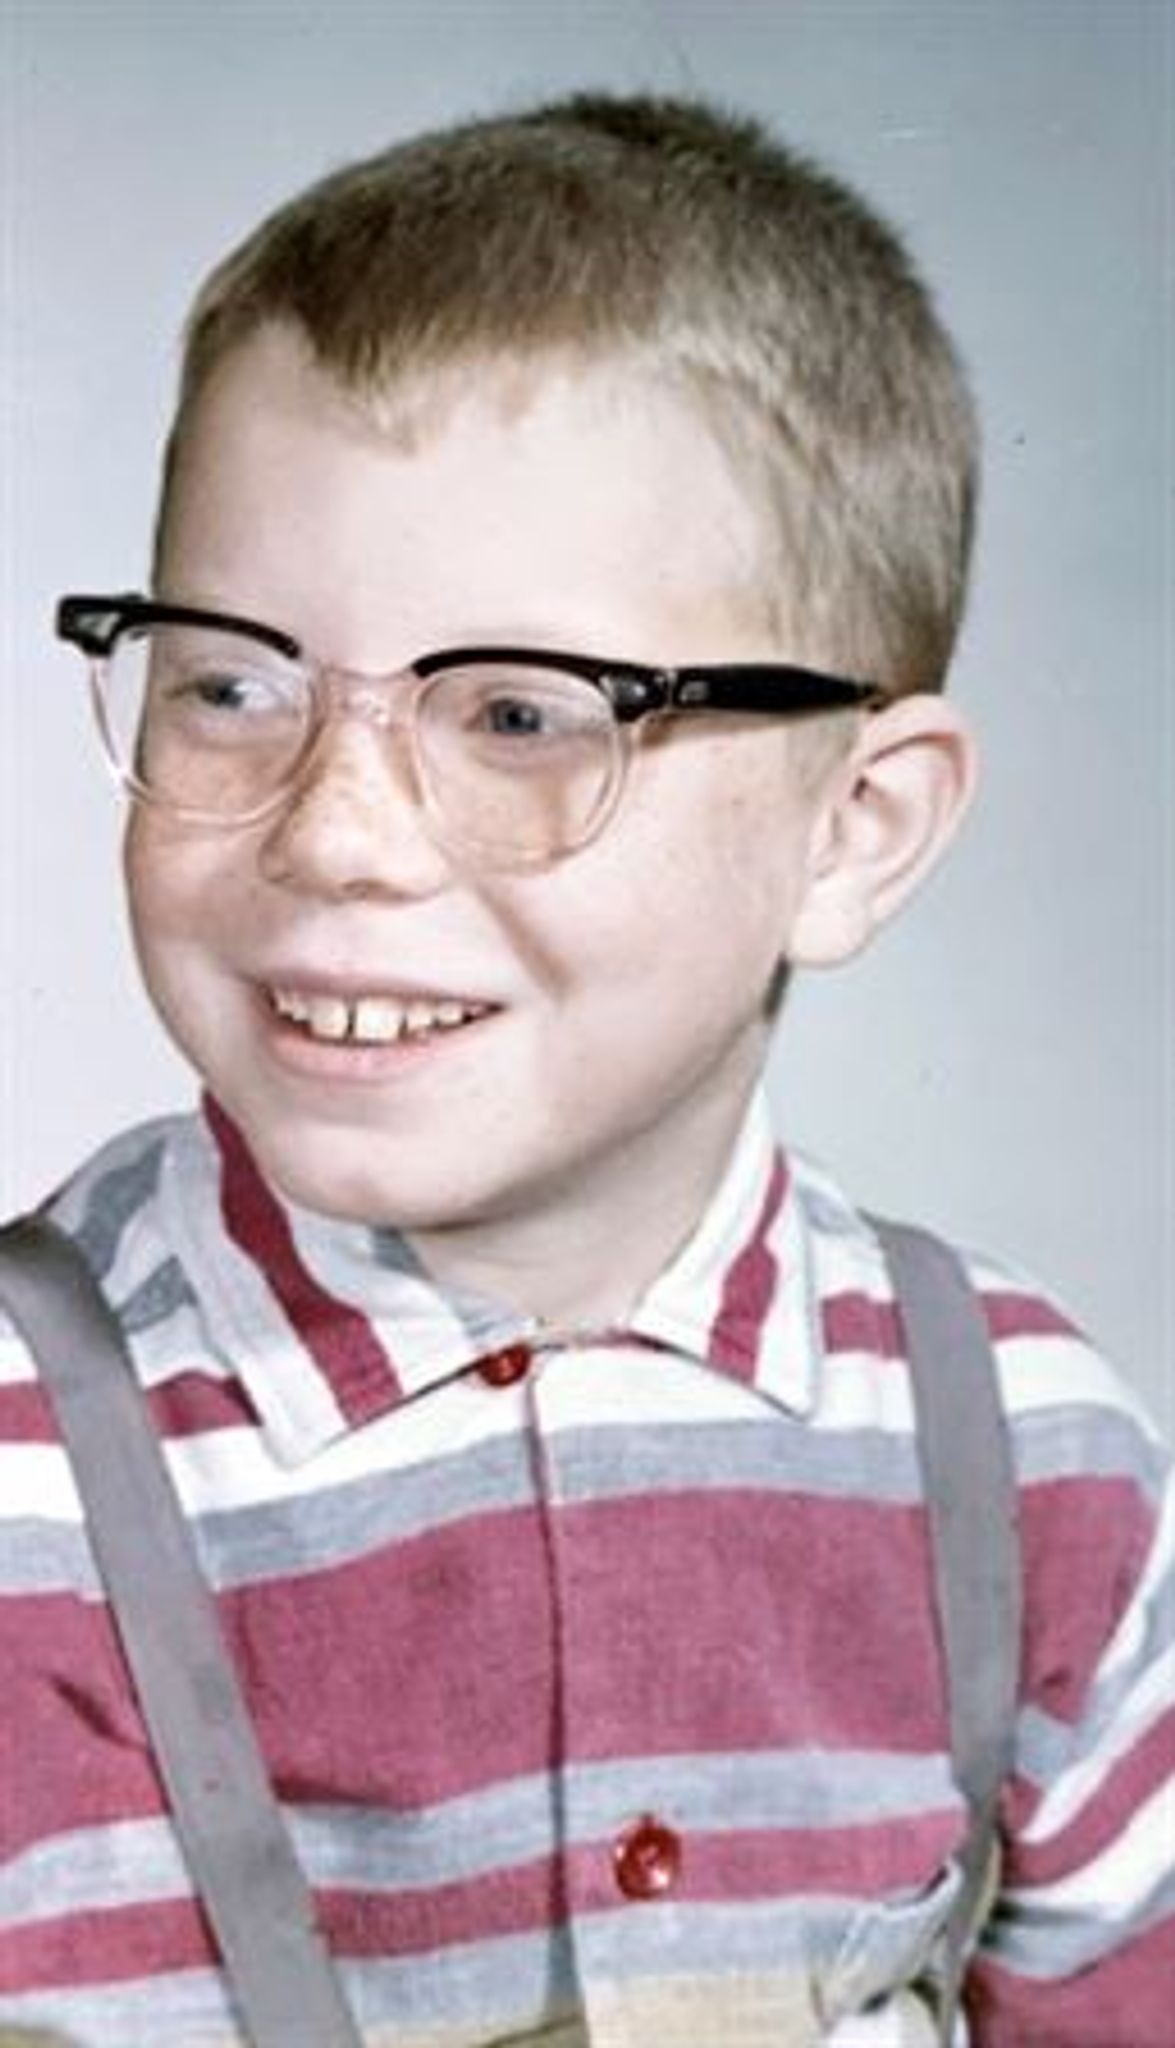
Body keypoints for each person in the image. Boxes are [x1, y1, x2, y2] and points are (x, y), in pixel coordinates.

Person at [0, 91, 1170, 2048]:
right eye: (231, 683)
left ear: (856, 829)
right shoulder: (25, 1465)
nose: (337, 833)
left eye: (523, 714)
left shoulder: (1032, 1454)